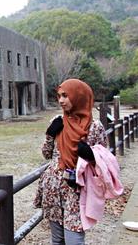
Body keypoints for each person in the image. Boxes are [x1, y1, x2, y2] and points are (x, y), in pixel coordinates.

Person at [34, 78, 107, 245]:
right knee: (57, 240)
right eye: (59, 96)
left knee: (74, 240)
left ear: (79, 96)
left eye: (66, 96)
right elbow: (47, 154)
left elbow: (105, 163)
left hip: (77, 190)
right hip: (53, 189)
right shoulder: (57, 121)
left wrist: (90, 156)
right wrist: (50, 134)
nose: (61, 100)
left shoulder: (94, 127)